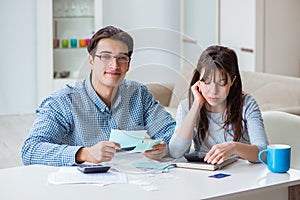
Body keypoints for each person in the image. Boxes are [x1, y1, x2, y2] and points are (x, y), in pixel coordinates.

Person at [21, 25, 175, 166]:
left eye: (121, 58)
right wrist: (84, 153)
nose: (114, 65)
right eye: (106, 56)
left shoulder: (139, 95)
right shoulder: (63, 101)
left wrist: (163, 148)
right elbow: (31, 150)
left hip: (133, 184)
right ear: (91, 61)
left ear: (128, 64)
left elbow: (171, 133)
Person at [169, 45, 268, 164]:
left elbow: (265, 154)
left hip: (240, 174)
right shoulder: (187, 106)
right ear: (199, 80)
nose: (213, 91)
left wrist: (234, 148)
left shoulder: (247, 105)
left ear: (233, 81)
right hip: (203, 175)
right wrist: (197, 105)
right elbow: (175, 152)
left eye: (221, 83)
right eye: (206, 82)